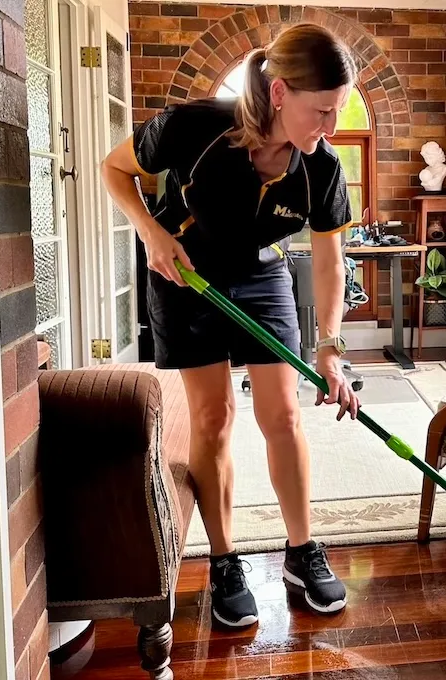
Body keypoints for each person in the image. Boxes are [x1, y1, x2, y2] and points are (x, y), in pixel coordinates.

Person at [100, 23, 361, 628]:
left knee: (284, 415)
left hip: (262, 274)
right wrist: (151, 233)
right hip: (185, 275)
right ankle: (223, 559)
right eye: (321, 111)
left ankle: (301, 550)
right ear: (280, 93)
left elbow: (329, 259)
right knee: (214, 417)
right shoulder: (194, 126)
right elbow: (114, 169)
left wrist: (330, 348)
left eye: (338, 111)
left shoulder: (321, 168)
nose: (330, 127)